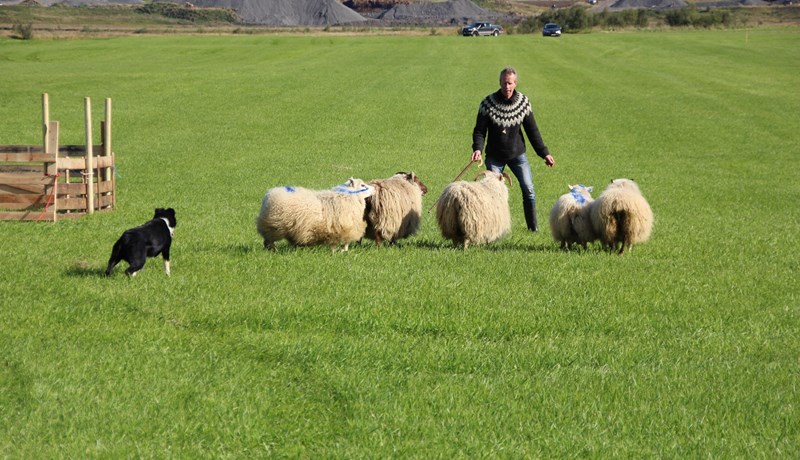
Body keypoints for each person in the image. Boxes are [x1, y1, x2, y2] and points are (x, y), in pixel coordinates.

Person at [472, 66, 555, 232]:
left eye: (510, 83)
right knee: (493, 195)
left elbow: (533, 132)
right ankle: (494, 229)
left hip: (518, 155)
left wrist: (544, 153)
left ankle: (533, 228)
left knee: (529, 189)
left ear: (515, 83)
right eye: (504, 83)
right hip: (494, 156)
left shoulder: (523, 103)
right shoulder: (487, 104)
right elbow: (479, 131)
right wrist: (478, 149)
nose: (507, 87)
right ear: (500, 83)